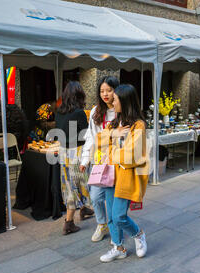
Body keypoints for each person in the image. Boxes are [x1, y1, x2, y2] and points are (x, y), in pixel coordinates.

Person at [95, 84, 149, 262]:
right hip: (111, 175)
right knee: (111, 216)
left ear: (124, 101)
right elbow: (99, 141)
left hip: (126, 176)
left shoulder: (138, 126)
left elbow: (131, 156)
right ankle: (118, 247)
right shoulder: (114, 123)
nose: (111, 100)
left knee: (119, 216)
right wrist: (112, 135)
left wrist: (110, 148)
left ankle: (138, 234)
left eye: (115, 99)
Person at [80, 76, 119, 242]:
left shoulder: (120, 110)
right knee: (95, 197)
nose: (105, 94)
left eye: (109, 90)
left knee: (113, 199)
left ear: (116, 91)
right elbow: (90, 136)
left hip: (116, 161)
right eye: (102, 91)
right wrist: (84, 159)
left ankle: (114, 229)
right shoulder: (96, 111)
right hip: (99, 161)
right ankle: (101, 224)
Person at [55, 81, 94, 235]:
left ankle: (84, 209)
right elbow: (85, 135)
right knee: (78, 183)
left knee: (71, 184)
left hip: (64, 152)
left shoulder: (59, 112)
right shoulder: (79, 113)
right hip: (76, 152)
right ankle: (69, 222)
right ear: (79, 95)